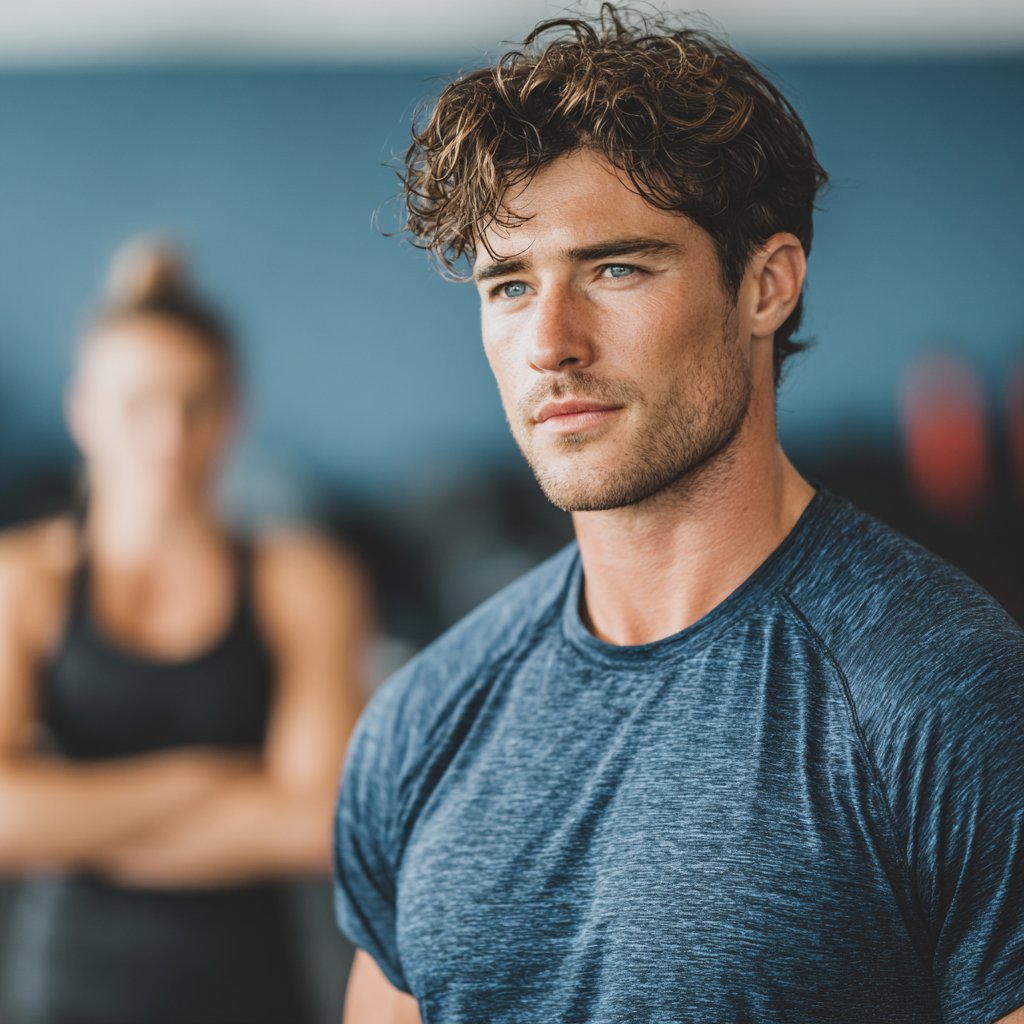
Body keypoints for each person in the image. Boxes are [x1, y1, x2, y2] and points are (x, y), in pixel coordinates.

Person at [334, 8, 1023, 1024]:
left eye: (615, 268)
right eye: (510, 285)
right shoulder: (421, 721)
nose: (549, 343)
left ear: (766, 286)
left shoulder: (945, 698)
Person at [0, 239, 371, 1024]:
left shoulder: (304, 579)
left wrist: (67, 819)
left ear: (233, 413)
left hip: (255, 998)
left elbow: (316, 823)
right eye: (138, 405)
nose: (168, 436)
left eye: (194, 404)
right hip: (63, 996)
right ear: (82, 412)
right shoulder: (23, 580)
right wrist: (200, 782)